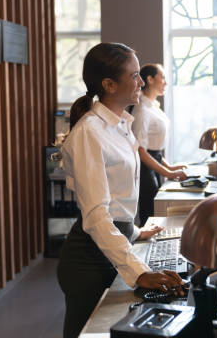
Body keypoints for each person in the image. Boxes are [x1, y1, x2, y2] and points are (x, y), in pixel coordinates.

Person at [57, 43, 184, 338]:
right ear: (109, 84)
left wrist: (135, 231)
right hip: (89, 261)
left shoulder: (121, 125)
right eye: (135, 75)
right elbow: (98, 216)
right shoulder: (90, 132)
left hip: (113, 245)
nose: (141, 81)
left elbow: (116, 201)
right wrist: (138, 271)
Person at [131, 63, 187, 227]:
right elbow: (141, 151)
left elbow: (154, 149)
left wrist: (171, 167)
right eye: (162, 77)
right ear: (149, 79)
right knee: (150, 215)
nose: (165, 82)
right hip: (145, 168)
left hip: (153, 162)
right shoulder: (141, 110)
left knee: (156, 215)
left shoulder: (152, 106)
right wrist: (169, 173)